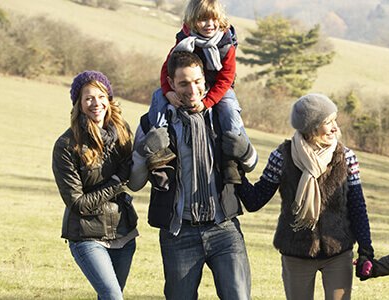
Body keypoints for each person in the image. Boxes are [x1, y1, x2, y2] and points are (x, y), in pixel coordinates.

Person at [129, 51, 258, 299]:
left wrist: (244, 149)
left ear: (205, 80)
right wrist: (146, 150)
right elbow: (135, 183)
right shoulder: (153, 123)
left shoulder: (223, 117)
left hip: (224, 228)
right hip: (179, 234)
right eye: (183, 83)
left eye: (197, 81)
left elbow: (251, 163)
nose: (192, 89)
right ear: (170, 84)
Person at [235, 94, 373, 300]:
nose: (335, 128)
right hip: (296, 253)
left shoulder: (346, 157)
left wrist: (366, 250)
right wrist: (234, 171)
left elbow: (357, 206)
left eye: (335, 120)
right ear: (311, 128)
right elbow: (255, 200)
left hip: (338, 252)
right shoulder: (282, 157)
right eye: (328, 122)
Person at [52, 71, 138, 300]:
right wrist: (117, 182)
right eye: (88, 98)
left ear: (108, 99)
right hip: (86, 235)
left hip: (124, 233)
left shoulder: (122, 133)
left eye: (101, 96)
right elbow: (78, 204)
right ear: (78, 104)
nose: (96, 103)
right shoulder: (66, 146)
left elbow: (136, 171)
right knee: (112, 296)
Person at [148, 0, 251, 184]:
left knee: (229, 109)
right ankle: (159, 147)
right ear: (193, 20)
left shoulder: (226, 44)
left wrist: (208, 102)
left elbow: (227, 78)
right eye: (203, 19)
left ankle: (231, 159)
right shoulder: (185, 41)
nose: (209, 24)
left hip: (219, 87)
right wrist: (168, 91)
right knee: (158, 97)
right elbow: (167, 68)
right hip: (190, 84)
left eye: (214, 19)